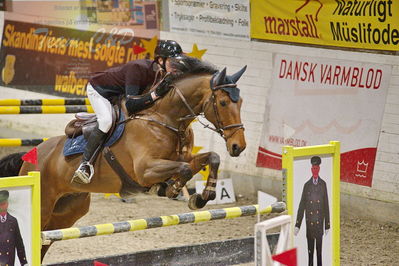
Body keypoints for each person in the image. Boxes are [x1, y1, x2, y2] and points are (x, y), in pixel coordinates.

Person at [72, 40, 184, 184]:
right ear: (161, 60)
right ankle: (84, 165)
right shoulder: (137, 69)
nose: (176, 66)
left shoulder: (164, 74)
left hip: (120, 94)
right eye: (173, 62)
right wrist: (155, 94)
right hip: (99, 90)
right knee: (106, 121)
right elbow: (131, 105)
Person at [294, 156, 330, 266]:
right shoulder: (307, 185)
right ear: (311, 170)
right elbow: (301, 206)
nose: (315, 170)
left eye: (317, 168)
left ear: (319, 169)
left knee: (319, 252)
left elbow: (326, 205)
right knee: (310, 253)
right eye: (313, 168)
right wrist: (297, 224)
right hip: (309, 225)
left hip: (319, 225)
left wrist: (327, 225)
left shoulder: (323, 184)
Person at [0, 190, 28, 266]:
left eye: (4, 203)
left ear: (7, 204)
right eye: (0, 204)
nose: (2, 206)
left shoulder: (13, 221)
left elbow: (19, 243)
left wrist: (24, 262)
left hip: (9, 262)